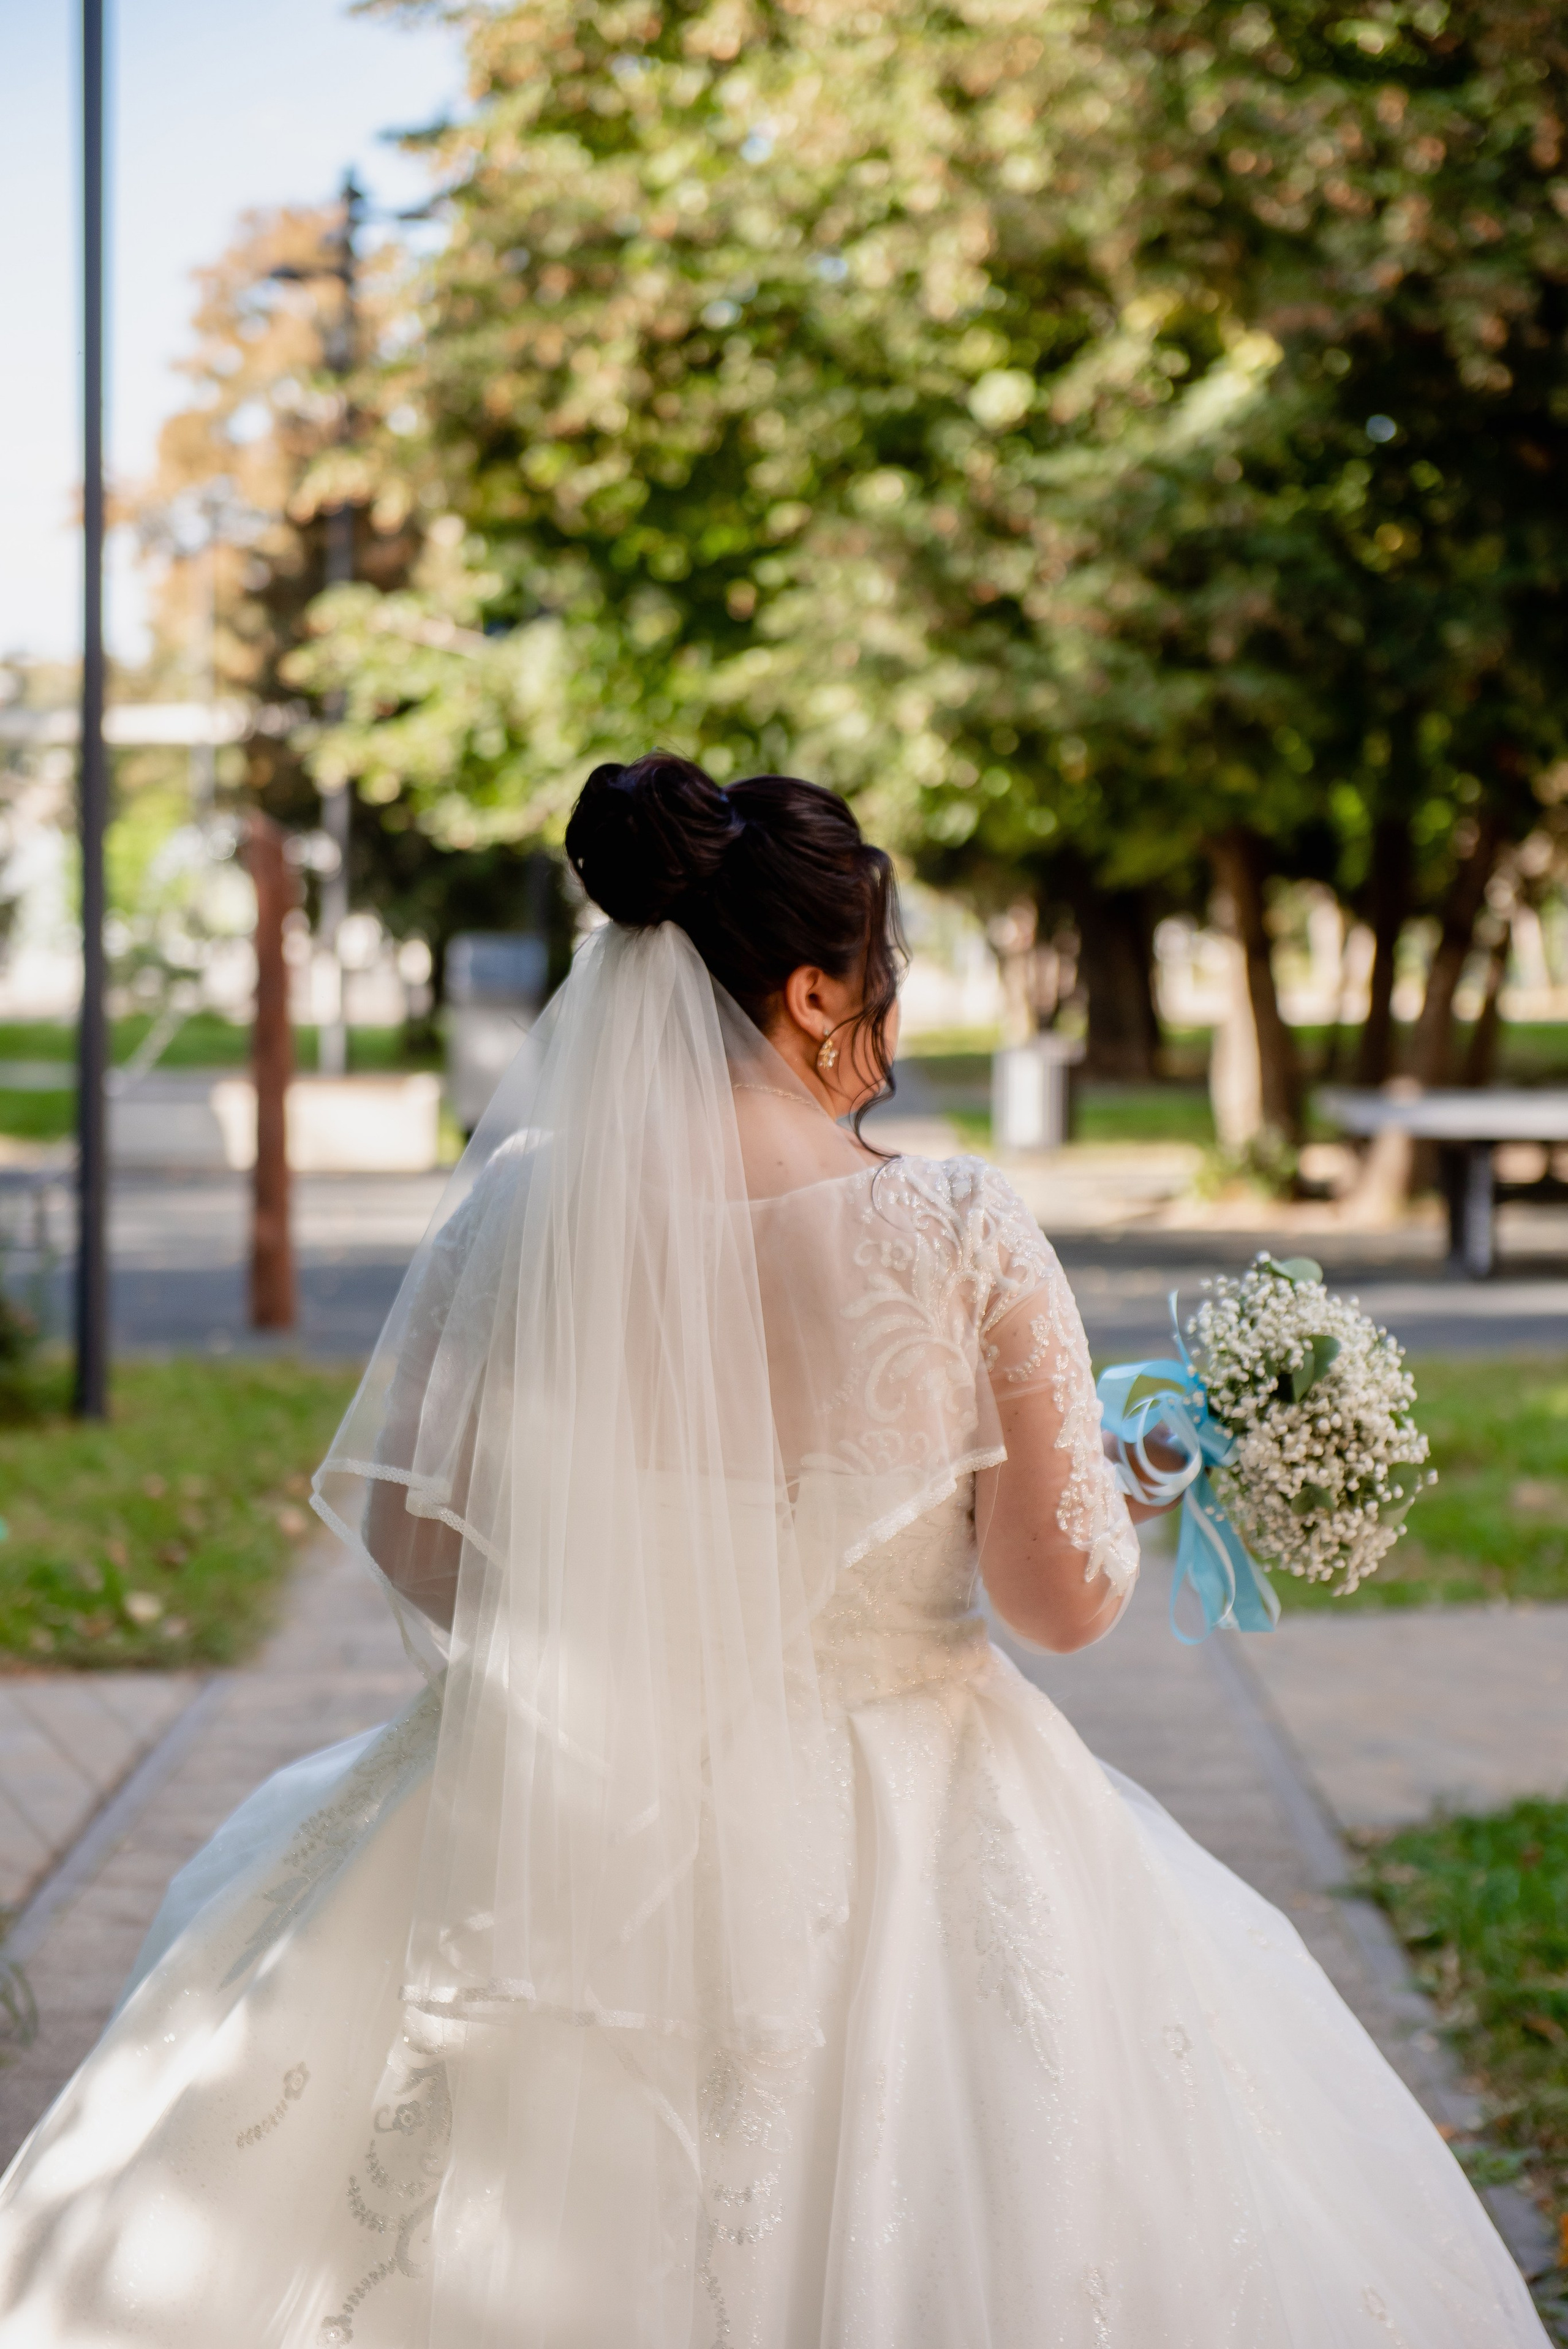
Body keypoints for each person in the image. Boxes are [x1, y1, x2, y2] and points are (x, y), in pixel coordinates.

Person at [0, 755, 1545, 2349]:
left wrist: (627, 1593)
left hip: (557, 1800)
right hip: (907, 1801)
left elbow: (417, 1536)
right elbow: (1060, 1601)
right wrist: (1113, 1484)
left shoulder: (519, 1210)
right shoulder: (954, 1224)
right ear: (813, 988)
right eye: (884, 988)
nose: (892, 1029)